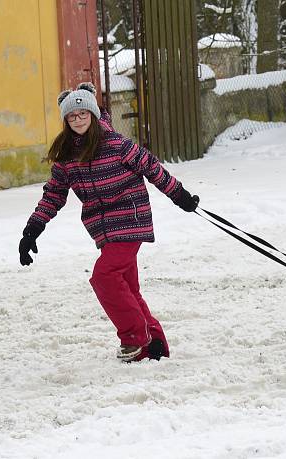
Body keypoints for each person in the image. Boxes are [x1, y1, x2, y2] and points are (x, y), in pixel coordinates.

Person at [19, 82, 199, 362]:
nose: (78, 120)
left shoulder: (116, 144)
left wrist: (180, 195)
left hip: (130, 220)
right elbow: (53, 196)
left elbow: (152, 168)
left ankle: (134, 340)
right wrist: (31, 231)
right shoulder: (67, 157)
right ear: (66, 120)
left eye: (83, 114)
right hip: (103, 229)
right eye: (72, 116)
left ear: (92, 114)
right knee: (127, 287)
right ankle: (154, 343)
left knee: (104, 277)